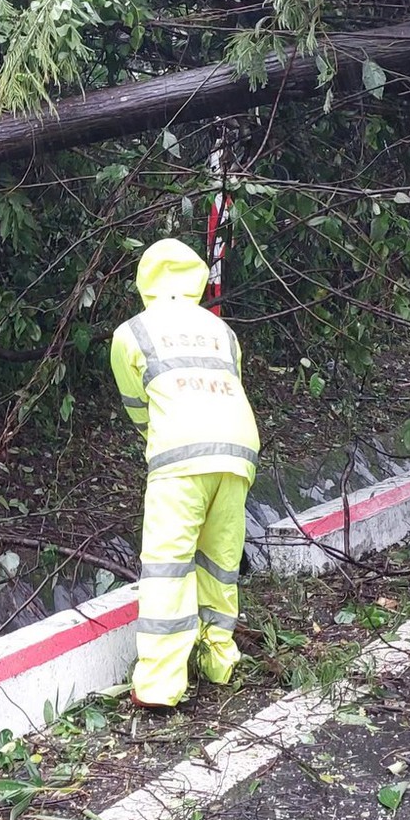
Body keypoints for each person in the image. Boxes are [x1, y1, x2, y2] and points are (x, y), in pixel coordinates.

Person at [109, 238, 262, 709]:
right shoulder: (222, 331)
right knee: (220, 560)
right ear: (195, 279)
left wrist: (158, 441)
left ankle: (158, 686)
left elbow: (139, 407)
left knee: (168, 569)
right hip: (239, 452)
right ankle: (219, 660)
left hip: (179, 456)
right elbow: (230, 385)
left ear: (145, 280)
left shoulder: (132, 332)